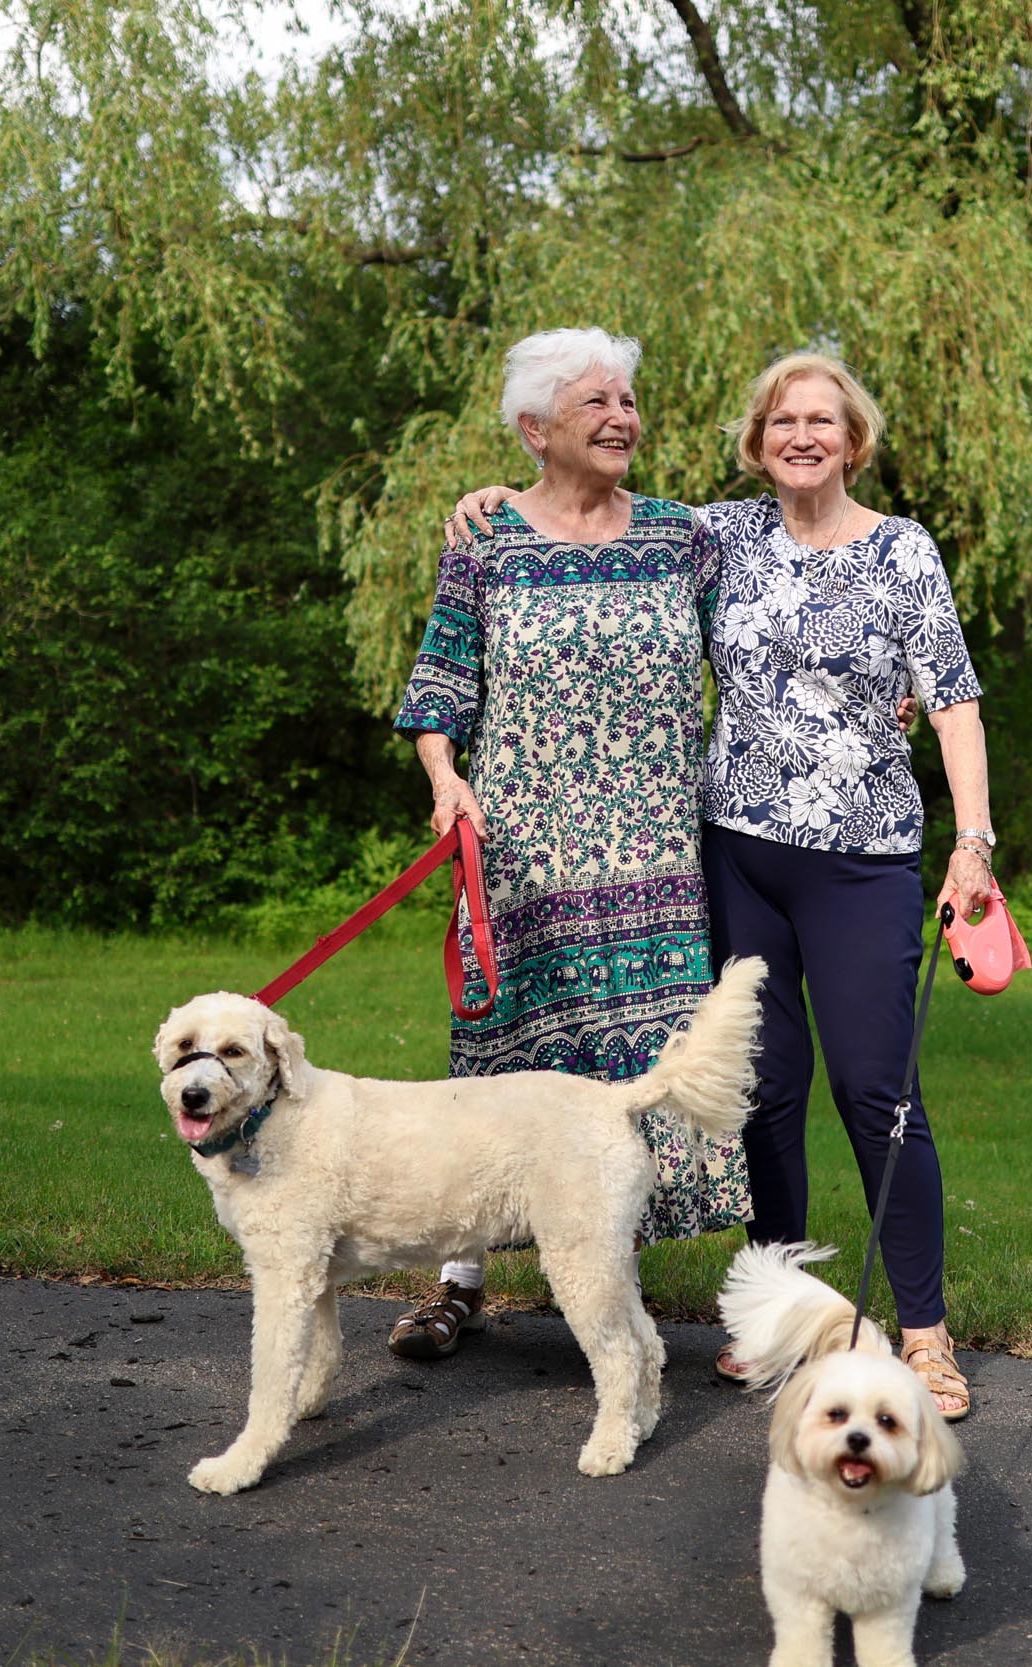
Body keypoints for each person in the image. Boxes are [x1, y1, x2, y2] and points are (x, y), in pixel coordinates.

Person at [448, 353, 995, 1418]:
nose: (801, 435)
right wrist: (495, 501)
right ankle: (775, 1314)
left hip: (862, 859)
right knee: (765, 1097)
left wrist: (972, 840)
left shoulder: (902, 551)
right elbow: (586, 508)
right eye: (781, 420)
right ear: (756, 441)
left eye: (821, 421)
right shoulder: (715, 536)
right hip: (738, 854)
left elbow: (955, 700)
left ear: (853, 438)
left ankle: (924, 1336)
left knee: (877, 1093)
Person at [384, 326, 750, 1361]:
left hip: (655, 854)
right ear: (534, 429)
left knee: (660, 1064)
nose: (622, 417)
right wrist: (445, 778)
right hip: (522, 849)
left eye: (628, 399)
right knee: (506, 1066)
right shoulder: (486, 538)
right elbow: (442, 681)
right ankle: (460, 1280)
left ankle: (644, 1288)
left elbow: (760, 651)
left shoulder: (685, 535)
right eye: (596, 402)